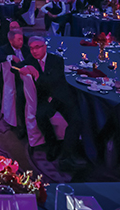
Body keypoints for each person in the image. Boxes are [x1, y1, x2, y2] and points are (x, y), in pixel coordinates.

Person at [12, 36, 86, 170]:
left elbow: (53, 82)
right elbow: (14, 67)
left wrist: (37, 75)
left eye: (37, 47)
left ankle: (66, 155)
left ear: (45, 47)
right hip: (45, 98)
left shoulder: (57, 60)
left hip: (61, 96)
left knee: (77, 120)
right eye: (31, 48)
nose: (34, 51)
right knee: (40, 116)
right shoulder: (31, 60)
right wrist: (24, 67)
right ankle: (52, 144)